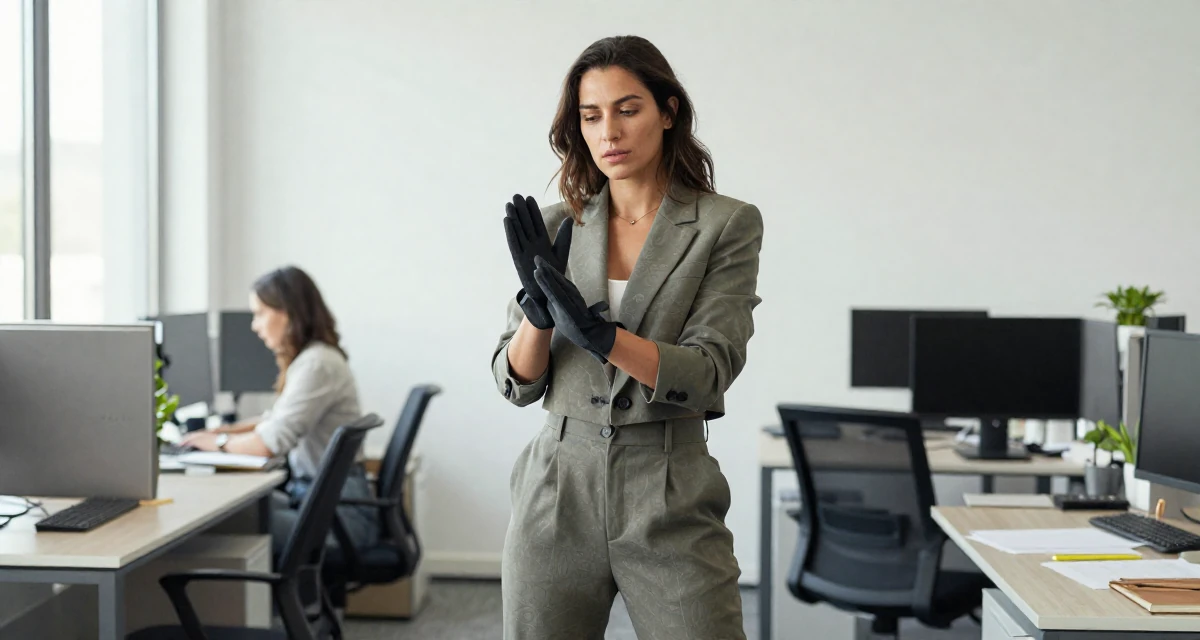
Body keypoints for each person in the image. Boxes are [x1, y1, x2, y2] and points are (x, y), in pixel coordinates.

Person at [491, 35, 763, 640]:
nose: (608, 131)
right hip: (556, 489)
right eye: (591, 116)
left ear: (668, 113)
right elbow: (514, 383)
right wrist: (539, 318)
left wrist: (599, 335)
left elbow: (707, 373)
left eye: (628, 109)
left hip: (667, 486)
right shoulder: (559, 222)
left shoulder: (725, 224)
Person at [182, 266, 377, 556]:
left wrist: (219, 444)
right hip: (324, 503)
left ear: (287, 312)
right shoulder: (314, 359)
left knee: (220, 524)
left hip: (341, 520)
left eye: (260, 313)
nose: (254, 325)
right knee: (236, 512)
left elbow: (269, 444)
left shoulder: (316, 364)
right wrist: (222, 431)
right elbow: (274, 420)